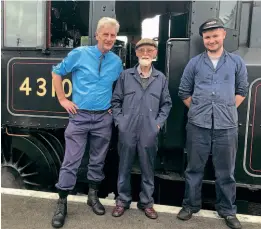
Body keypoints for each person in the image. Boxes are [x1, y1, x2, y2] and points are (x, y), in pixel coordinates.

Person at [51, 17, 123, 228]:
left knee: (97, 160)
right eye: (106, 34)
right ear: (97, 35)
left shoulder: (116, 62)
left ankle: (92, 197)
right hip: (80, 116)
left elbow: (118, 88)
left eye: (112, 35)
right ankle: (61, 203)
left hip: (103, 118)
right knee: (71, 161)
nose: (109, 38)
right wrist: (63, 99)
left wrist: (113, 107)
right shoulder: (80, 54)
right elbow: (57, 72)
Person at [177, 18, 249, 229]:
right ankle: (190, 205)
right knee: (194, 169)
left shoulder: (236, 63)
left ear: (223, 35)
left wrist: (225, 109)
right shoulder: (195, 63)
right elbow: (183, 91)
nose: (211, 40)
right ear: (203, 39)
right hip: (197, 126)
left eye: (215, 35)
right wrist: (200, 110)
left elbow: (242, 91)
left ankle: (227, 210)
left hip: (226, 127)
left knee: (226, 172)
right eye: (207, 37)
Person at [111, 38, 172, 219]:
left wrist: (157, 123)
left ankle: (146, 203)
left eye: (150, 50)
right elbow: (115, 102)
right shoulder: (125, 76)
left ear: (155, 54)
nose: (146, 53)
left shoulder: (160, 78)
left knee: (147, 168)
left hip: (149, 130)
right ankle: (122, 201)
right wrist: (120, 122)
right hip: (127, 129)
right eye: (142, 50)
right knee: (124, 167)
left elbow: (166, 104)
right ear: (136, 53)